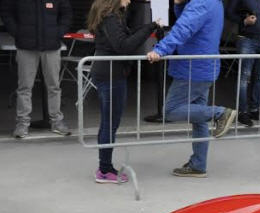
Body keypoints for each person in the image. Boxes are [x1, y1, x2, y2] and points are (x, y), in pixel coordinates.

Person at [147, 0, 238, 178]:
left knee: (170, 110)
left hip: (193, 70)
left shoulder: (200, 3)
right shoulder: (209, 2)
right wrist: (180, 5)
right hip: (202, 67)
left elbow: (184, 28)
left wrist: (160, 49)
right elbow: (190, 22)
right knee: (199, 119)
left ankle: (220, 113)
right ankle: (198, 164)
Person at [87, 0, 161, 183]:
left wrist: (147, 28)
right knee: (110, 123)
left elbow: (125, 39)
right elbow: (123, 46)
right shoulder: (110, 17)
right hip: (110, 75)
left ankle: (105, 167)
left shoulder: (112, 16)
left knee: (108, 123)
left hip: (111, 73)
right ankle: (104, 170)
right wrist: (150, 27)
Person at [0, 0, 72, 138]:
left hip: (51, 46)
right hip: (26, 46)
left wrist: (59, 32)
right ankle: (22, 123)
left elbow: (67, 13)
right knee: (24, 87)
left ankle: (56, 121)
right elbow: (6, 11)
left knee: (54, 86)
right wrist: (17, 32)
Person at [228, 0, 260, 126]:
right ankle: (243, 112)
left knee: (259, 78)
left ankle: (254, 110)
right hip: (247, 41)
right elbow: (229, 13)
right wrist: (244, 21)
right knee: (244, 78)